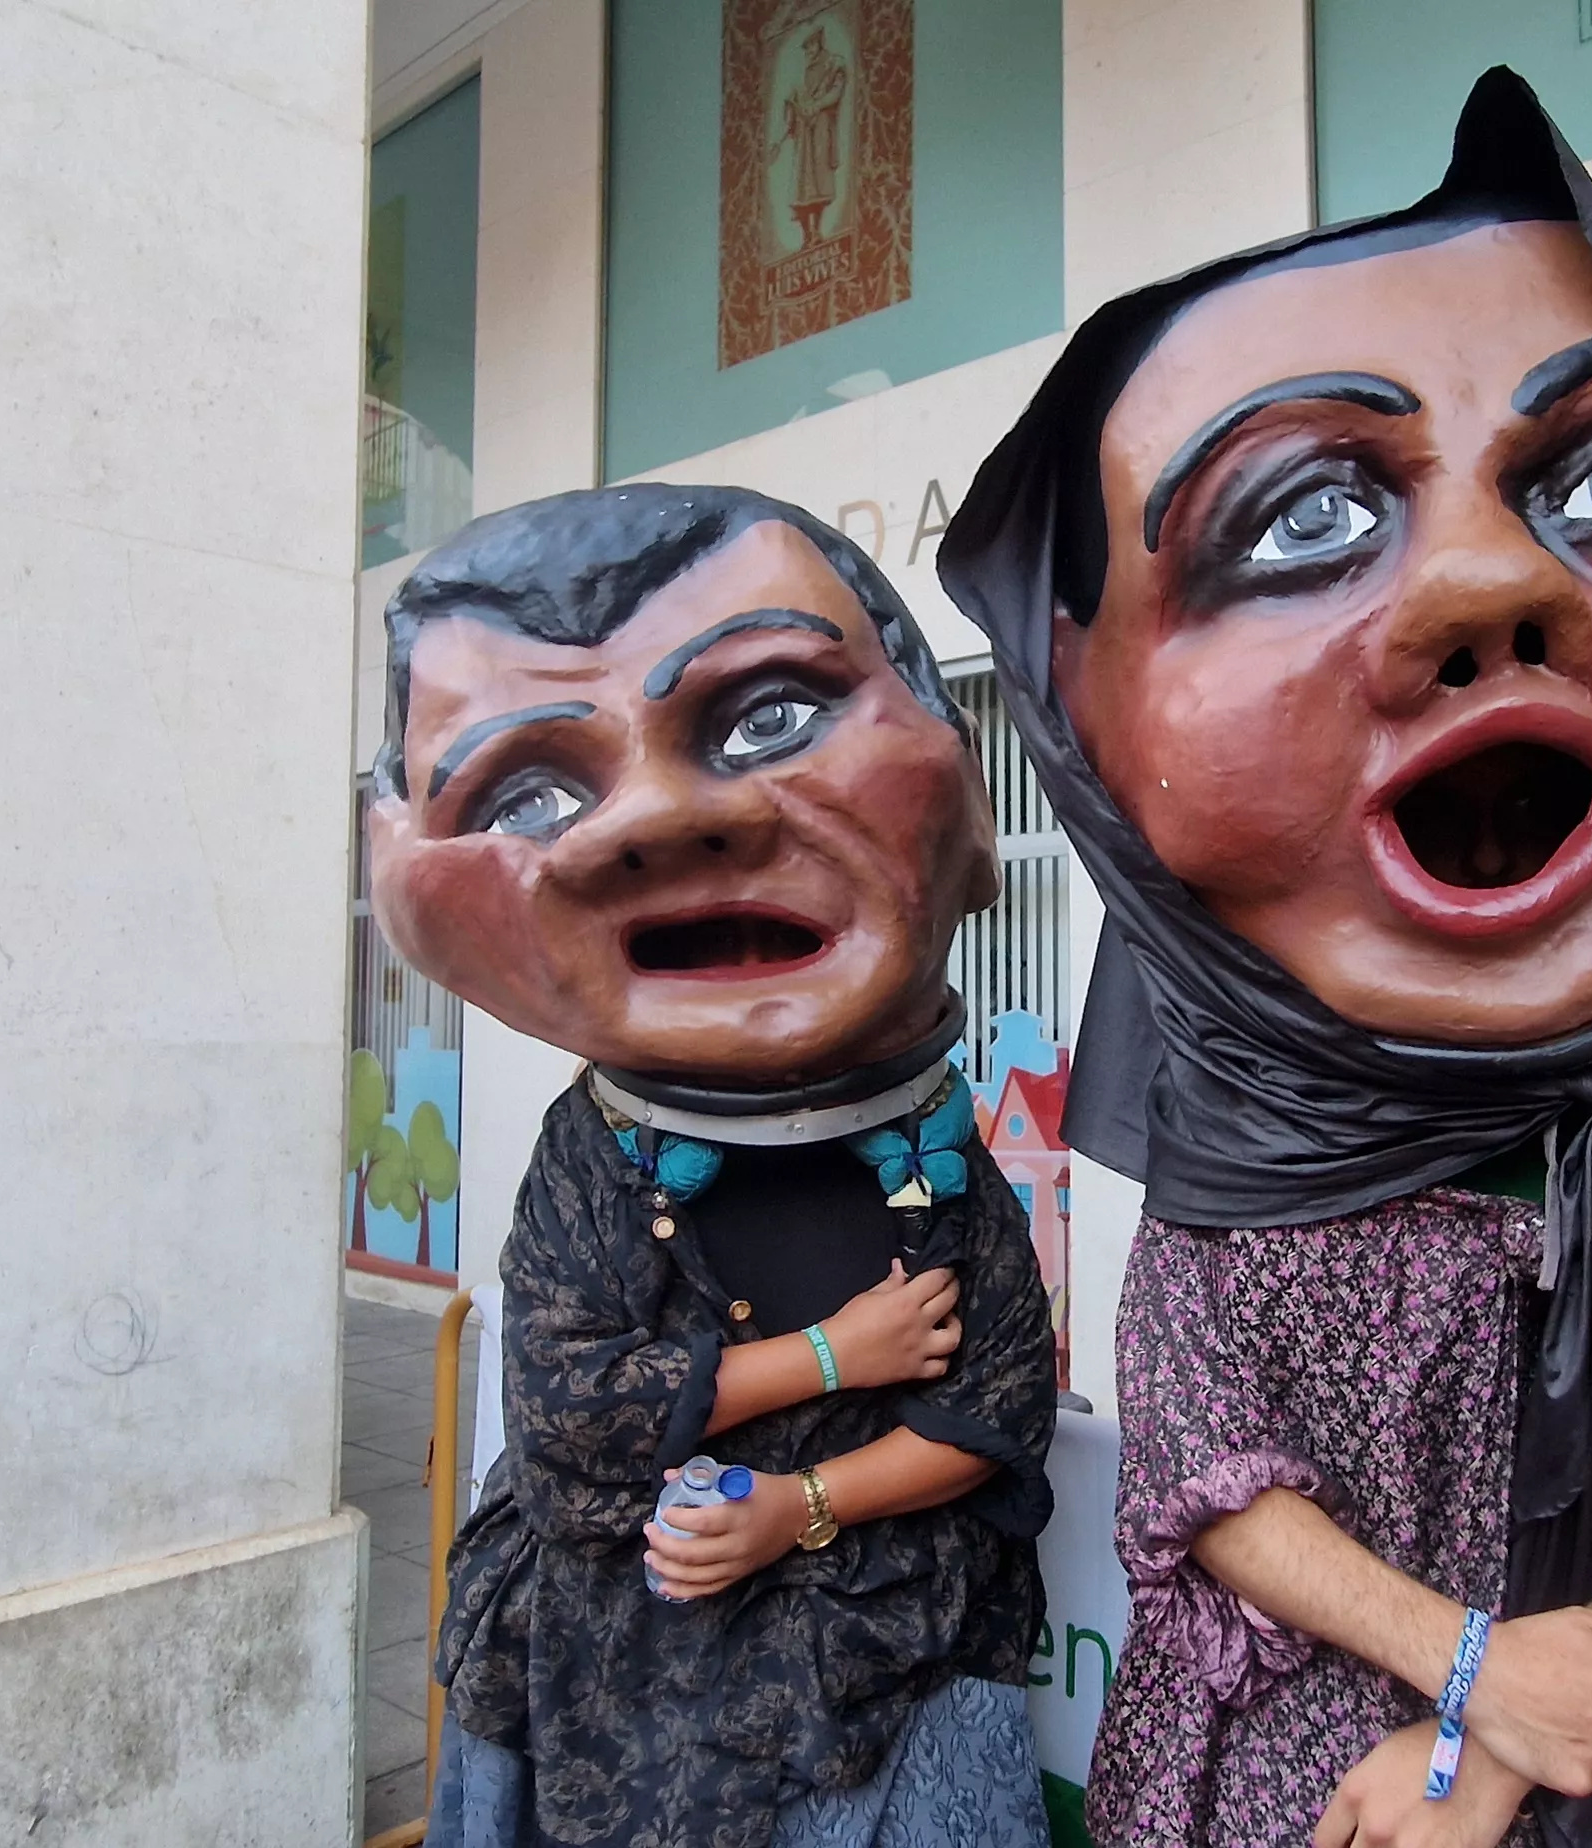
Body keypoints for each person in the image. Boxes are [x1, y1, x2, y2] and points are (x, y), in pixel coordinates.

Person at [938, 68, 1592, 1848]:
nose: (1481, 591)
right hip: (1315, 1765)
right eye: (1301, 523)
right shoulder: (1243, 1141)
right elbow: (1213, 1477)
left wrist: (1509, 1729)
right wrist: (1466, 1664)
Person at [368, 484, 1056, 1848]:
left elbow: (996, 1406)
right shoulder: (596, 1151)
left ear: (965, 787)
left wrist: (793, 1507)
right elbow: (570, 1415)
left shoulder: (928, 1154)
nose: (653, 821)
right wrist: (833, 1362)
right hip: (605, 1691)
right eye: (533, 790)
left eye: (772, 715)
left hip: (874, 1668)